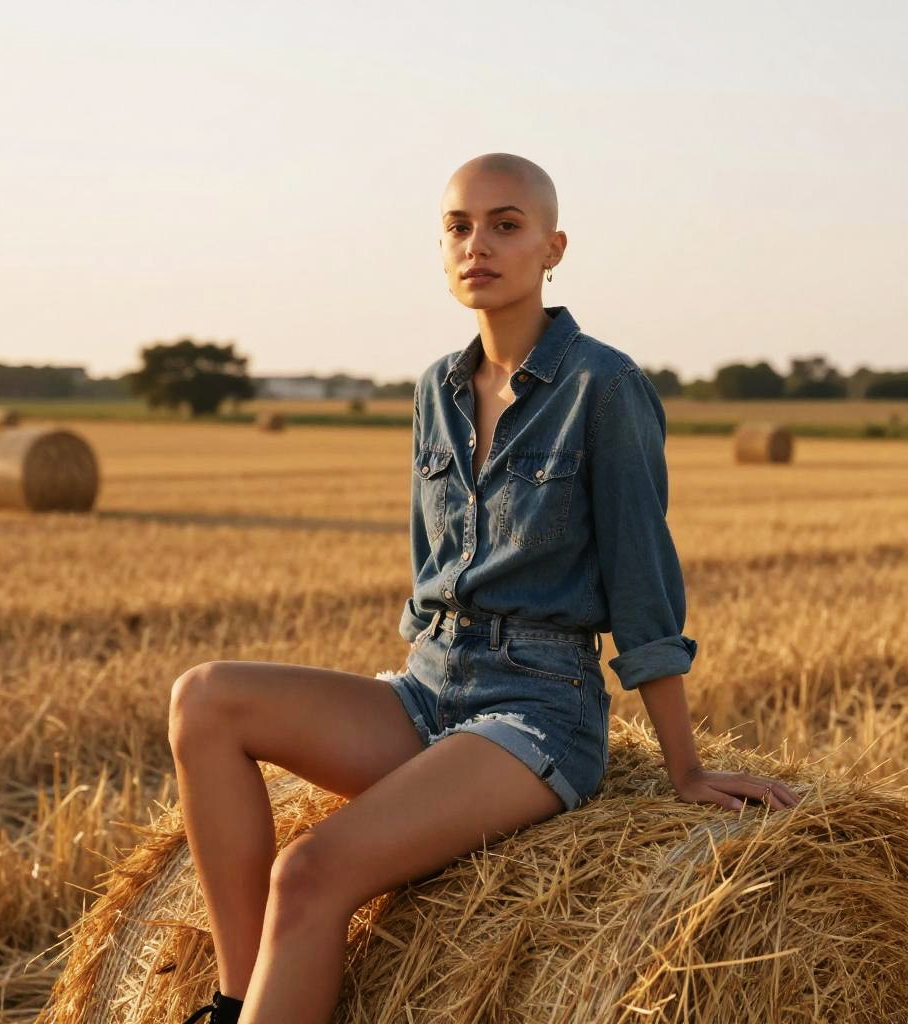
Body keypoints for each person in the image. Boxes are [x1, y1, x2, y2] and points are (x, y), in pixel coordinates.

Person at [170, 152, 802, 1024]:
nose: (480, 245)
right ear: (440, 249)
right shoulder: (437, 388)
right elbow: (432, 562)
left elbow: (643, 579)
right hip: (430, 689)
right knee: (204, 698)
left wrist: (684, 769)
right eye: (459, 228)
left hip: (538, 706)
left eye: (507, 225)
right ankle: (236, 997)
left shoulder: (603, 387)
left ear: (553, 247)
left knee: (311, 871)